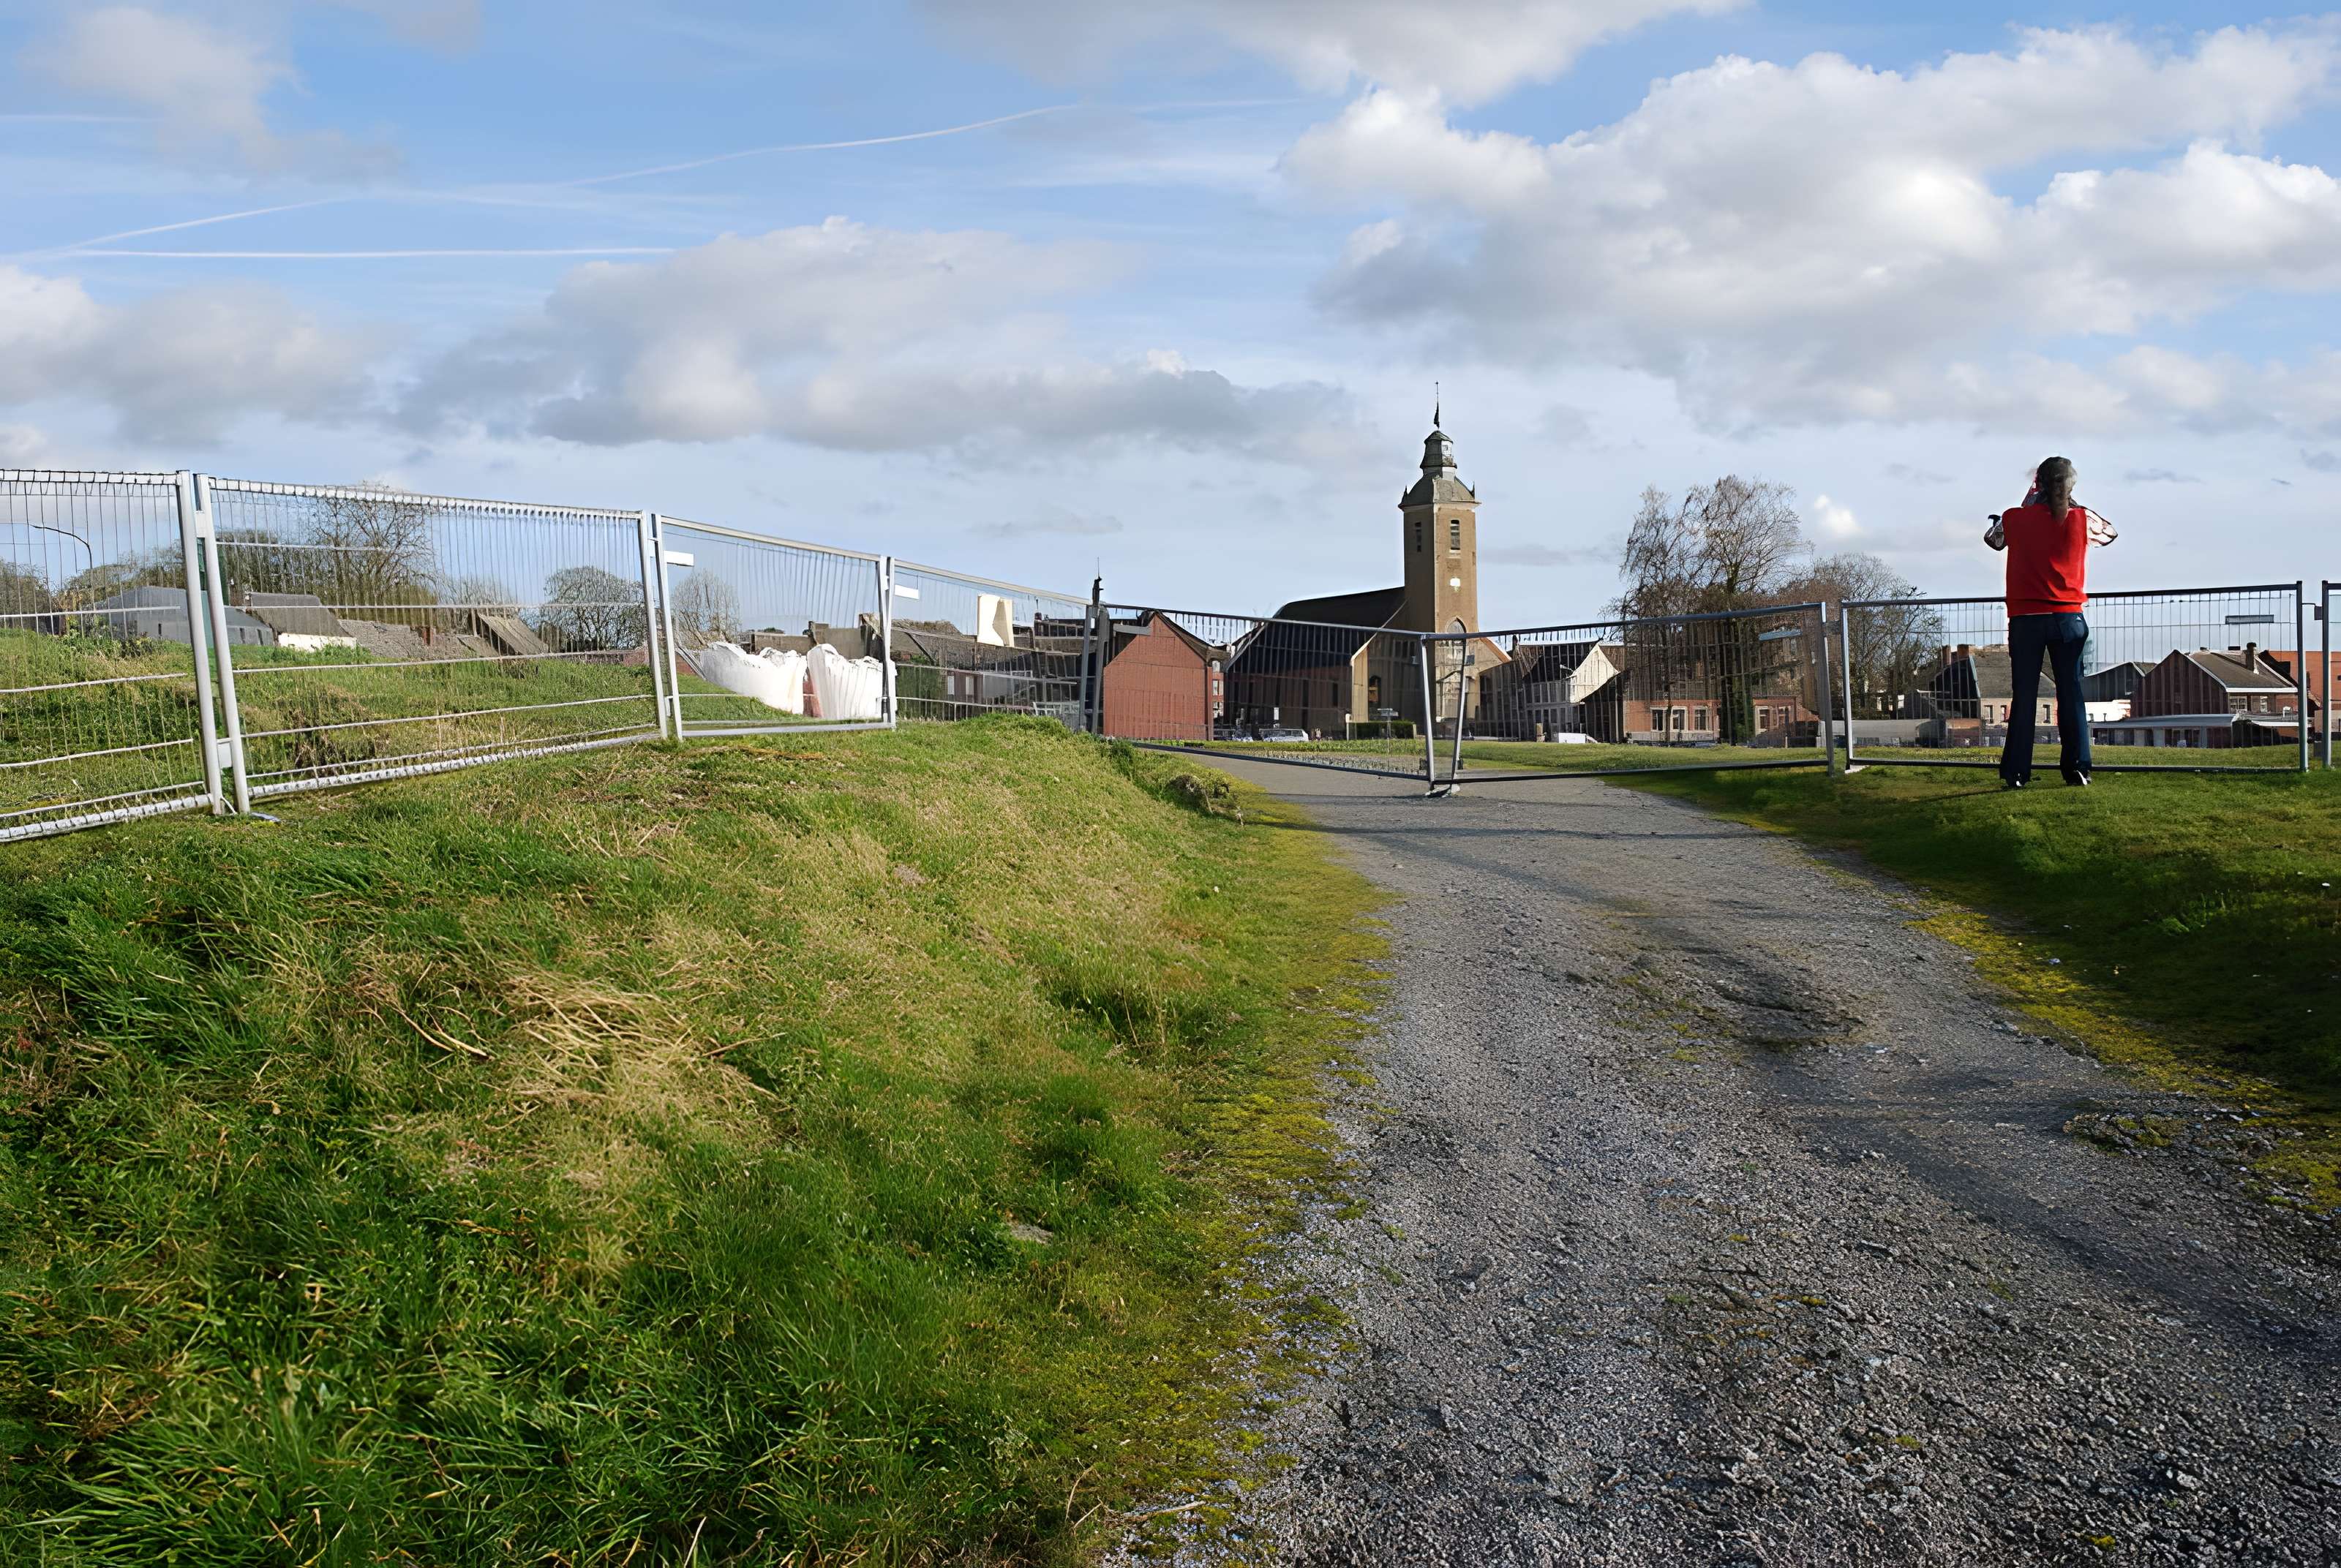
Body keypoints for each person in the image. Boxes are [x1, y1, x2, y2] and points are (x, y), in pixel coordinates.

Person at [1983, 456, 2108, 788]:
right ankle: (2078, 768)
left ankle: (2016, 773)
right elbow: (2108, 534)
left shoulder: (2014, 517)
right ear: (2069, 485)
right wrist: (2067, 501)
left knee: (2024, 695)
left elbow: (1993, 540)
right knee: (2071, 693)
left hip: (2025, 618)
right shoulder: (2081, 518)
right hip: (2068, 617)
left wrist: (2030, 500)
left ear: (2036, 483)